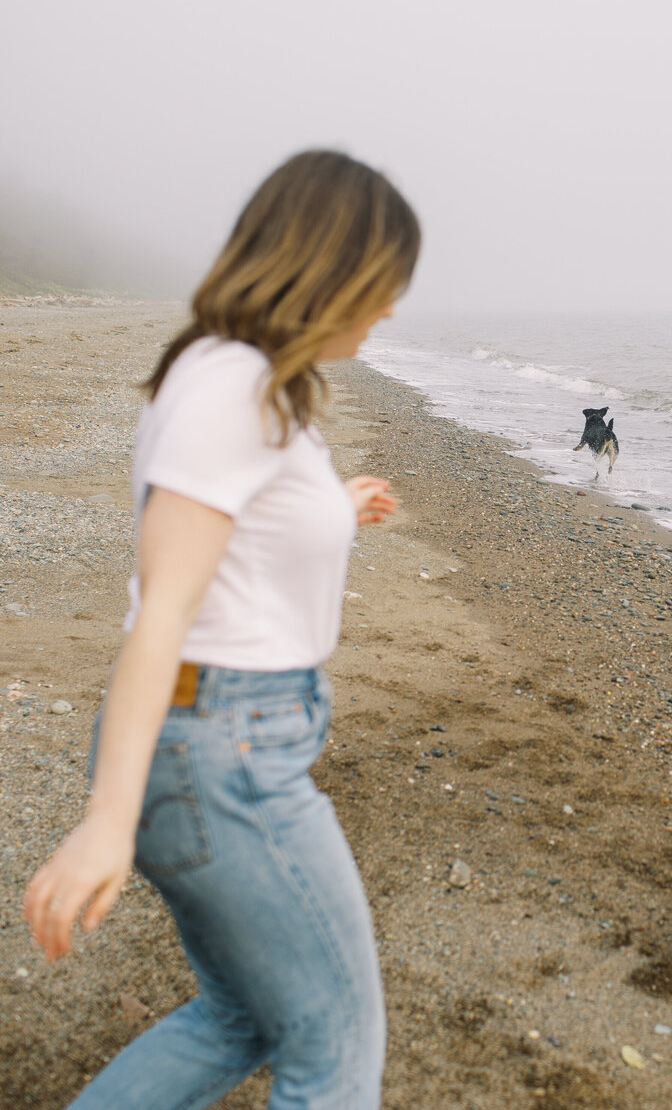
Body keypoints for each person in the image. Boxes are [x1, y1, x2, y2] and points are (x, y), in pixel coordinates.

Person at [23, 150, 421, 1108]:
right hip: (221, 747)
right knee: (334, 1050)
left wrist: (330, 506)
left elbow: (233, 534)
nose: (391, 309)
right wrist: (106, 824)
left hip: (216, 740)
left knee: (243, 1014)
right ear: (330, 268)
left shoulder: (239, 380)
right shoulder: (230, 389)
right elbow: (164, 607)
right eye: (385, 284)